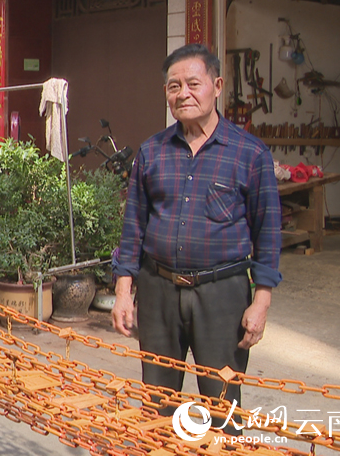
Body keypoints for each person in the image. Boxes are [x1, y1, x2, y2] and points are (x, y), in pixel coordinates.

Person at [111, 44, 282, 433]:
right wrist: (124, 291)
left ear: (217, 85)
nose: (182, 94)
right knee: (157, 404)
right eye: (173, 86)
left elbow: (268, 233)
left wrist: (262, 302)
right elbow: (133, 226)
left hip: (222, 295)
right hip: (158, 291)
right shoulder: (152, 152)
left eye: (192, 83)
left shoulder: (249, 154)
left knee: (222, 407)